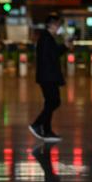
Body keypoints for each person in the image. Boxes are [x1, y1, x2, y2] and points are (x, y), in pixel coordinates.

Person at [29, 13, 70, 143]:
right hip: (48, 77)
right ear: (52, 25)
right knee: (54, 101)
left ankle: (46, 130)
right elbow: (52, 56)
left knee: (50, 102)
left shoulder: (47, 38)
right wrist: (64, 47)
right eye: (58, 25)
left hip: (48, 76)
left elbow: (54, 54)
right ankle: (37, 124)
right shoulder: (46, 38)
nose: (59, 27)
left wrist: (64, 47)